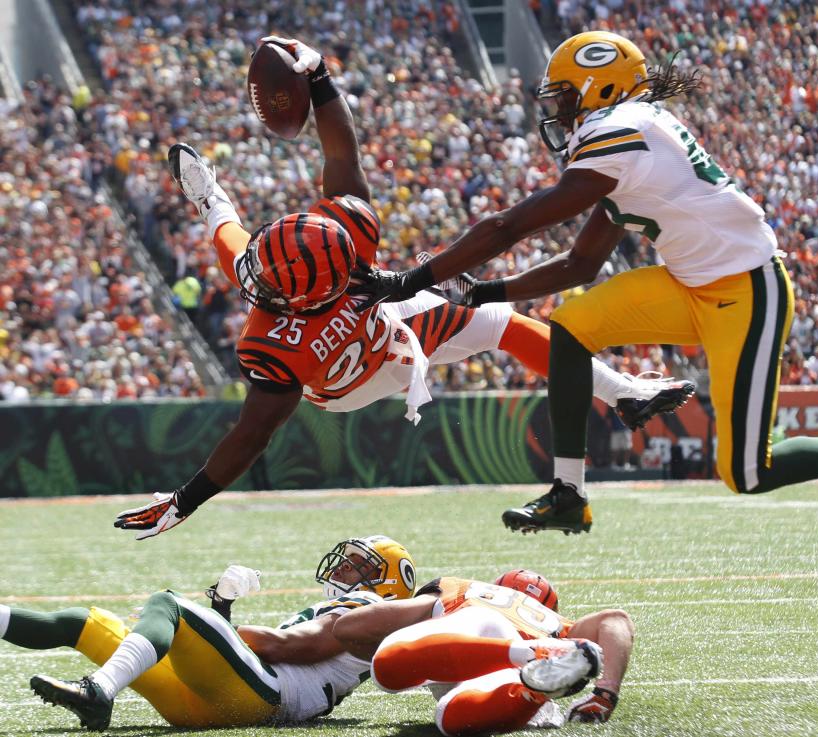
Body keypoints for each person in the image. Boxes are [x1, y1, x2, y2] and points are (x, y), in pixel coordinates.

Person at [350, 30, 818, 534]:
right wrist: (481, 292)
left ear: (600, 89)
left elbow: (508, 226)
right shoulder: (634, 136)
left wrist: (412, 279)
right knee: (572, 328)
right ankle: (568, 495)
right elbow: (580, 266)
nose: (557, 110)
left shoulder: (622, 130)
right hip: (689, 282)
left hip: (747, 290)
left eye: (564, 96)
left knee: (746, 472)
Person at [114, 35, 693, 541]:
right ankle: (619, 392)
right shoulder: (346, 247)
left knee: (491, 324)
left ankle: (622, 394)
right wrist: (317, 79)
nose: (255, 275)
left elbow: (252, 431)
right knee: (491, 323)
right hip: (351, 373)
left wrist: (182, 502)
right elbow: (339, 155)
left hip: (356, 350)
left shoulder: (272, 324)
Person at [0, 535, 415, 731]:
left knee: (168, 604)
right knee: (84, 623)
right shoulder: (349, 607)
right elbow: (237, 656)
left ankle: (97, 693)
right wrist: (220, 609)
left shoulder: (371, 611)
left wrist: (210, 617)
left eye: (360, 565)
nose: (343, 567)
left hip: (265, 698)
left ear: (388, 585)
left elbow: (292, 647)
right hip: (212, 702)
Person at [331, 568, 634, 734]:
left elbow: (350, 628)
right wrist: (604, 694)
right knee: (450, 716)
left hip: (476, 625)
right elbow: (615, 620)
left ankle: (526, 653)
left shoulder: (465, 588)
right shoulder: (561, 626)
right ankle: (534, 690)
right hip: (521, 671)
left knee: (387, 668)